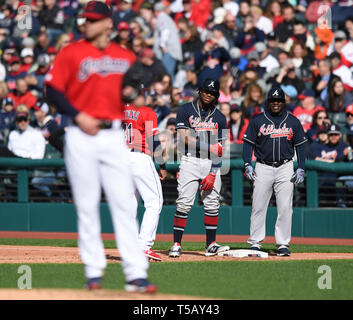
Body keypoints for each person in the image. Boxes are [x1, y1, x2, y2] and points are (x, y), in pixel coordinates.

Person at [44, 1, 156, 293]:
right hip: (81, 133)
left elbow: (133, 90)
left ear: (108, 23)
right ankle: (94, 272)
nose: (87, 24)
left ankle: (135, 274)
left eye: (93, 20)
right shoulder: (71, 52)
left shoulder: (124, 56)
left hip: (113, 133)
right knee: (86, 205)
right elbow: (52, 90)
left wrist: (132, 89)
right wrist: (77, 114)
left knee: (123, 202)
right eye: (85, 20)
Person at [242, 86, 307, 256]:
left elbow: (300, 146)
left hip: (286, 166)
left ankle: (283, 243)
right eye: (273, 100)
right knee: (258, 206)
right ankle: (255, 242)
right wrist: (247, 163)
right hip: (263, 166)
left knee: (285, 207)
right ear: (268, 102)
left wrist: (301, 167)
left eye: (279, 100)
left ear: (283, 102)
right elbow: (248, 144)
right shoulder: (257, 120)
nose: (276, 103)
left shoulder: (293, 121)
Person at [169, 78, 230, 258]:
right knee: (184, 204)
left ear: (216, 95)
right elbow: (184, 138)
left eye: (212, 92)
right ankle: (176, 243)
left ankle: (210, 244)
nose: (208, 94)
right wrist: (208, 146)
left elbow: (220, 149)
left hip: (211, 163)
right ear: (199, 90)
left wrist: (212, 173)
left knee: (212, 205)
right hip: (190, 161)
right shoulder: (185, 109)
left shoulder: (220, 117)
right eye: (205, 90)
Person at [122, 84, 167, 262]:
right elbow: (154, 140)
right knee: (154, 201)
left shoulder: (121, 110)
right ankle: (144, 246)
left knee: (130, 204)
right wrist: (162, 165)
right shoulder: (147, 111)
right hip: (139, 157)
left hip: (121, 157)